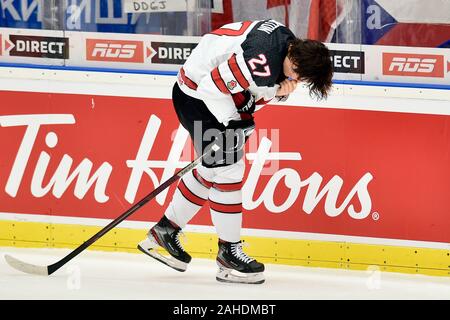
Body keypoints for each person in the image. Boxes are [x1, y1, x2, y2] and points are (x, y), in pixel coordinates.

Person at [138, 19, 333, 284]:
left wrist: (276, 93)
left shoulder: (284, 42)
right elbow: (212, 88)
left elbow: (250, 97)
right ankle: (228, 255)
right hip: (196, 98)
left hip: (201, 91)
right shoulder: (261, 59)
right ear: (295, 62)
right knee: (229, 170)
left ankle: (164, 232)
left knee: (213, 169)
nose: (294, 81)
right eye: (297, 76)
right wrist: (236, 122)